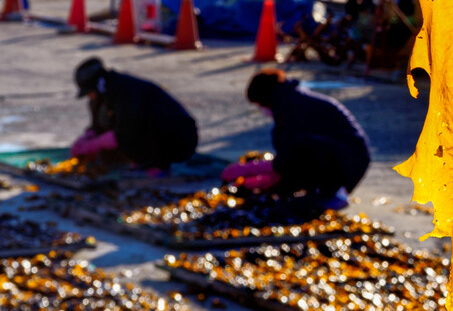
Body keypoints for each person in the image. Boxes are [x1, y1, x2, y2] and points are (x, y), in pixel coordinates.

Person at [223, 69, 371, 205]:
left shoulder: (293, 108)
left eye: (259, 105)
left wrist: (249, 171)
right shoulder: (291, 100)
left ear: (265, 99)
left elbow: (288, 156)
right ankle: (320, 190)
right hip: (348, 158)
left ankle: (326, 191)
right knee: (297, 152)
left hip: (348, 162)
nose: (261, 110)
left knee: (300, 148)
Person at [71, 57, 198, 170]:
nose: (90, 96)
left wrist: (93, 144)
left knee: (131, 134)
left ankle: (155, 165)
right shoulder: (101, 97)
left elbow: (125, 132)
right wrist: (88, 137)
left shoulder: (125, 91)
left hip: (178, 140)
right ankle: (141, 160)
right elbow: (99, 125)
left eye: (89, 92)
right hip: (145, 139)